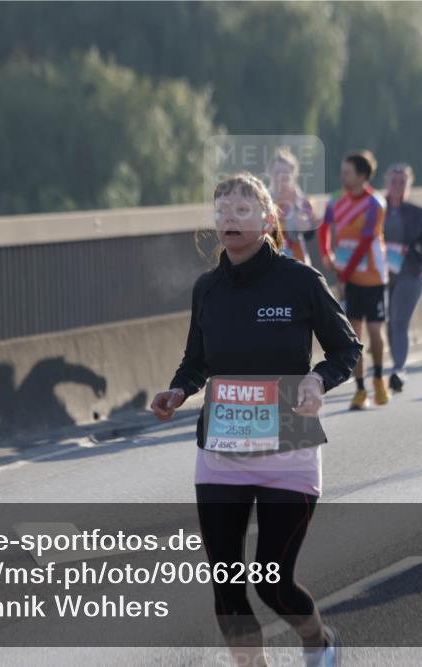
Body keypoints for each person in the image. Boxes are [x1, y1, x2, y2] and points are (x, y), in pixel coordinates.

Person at [150, 172, 361, 667]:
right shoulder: (207, 289)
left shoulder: (299, 281)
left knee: (273, 581)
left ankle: (318, 641)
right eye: (222, 209)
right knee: (227, 585)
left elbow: (346, 347)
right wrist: (179, 390)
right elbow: (197, 360)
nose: (230, 217)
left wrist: (317, 381)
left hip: (287, 451)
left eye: (243, 209)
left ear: (269, 220)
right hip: (222, 452)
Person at [317, 150, 389, 409]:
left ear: (361, 175)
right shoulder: (335, 200)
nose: (342, 177)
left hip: (372, 275)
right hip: (348, 276)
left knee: (374, 330)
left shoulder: (375, 204)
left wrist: (345, 274)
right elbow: (324, 228)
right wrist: (326, 254)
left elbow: (366, 240)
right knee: (355, 335)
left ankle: (379, 376)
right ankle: (360, 390)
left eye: (347, 173)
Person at [381, 163, 422, 393]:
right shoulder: (377, 208)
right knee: (387, 321)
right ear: (386, 183)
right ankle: (396, 363)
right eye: (394, 181)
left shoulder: (416, 213)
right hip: (382, 272)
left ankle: (398, 369)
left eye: (402, 182)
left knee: (400, 320)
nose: (398, 186)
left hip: (410, 272)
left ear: (408, 186)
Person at [268, 147, 318, 265]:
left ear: (294, 175)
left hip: (298, 264)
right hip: (268, 265)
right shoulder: (261, 201)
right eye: (277, 173)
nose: (281, 177)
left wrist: (306, 227)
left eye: (285, 173)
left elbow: (310, 235)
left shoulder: (305, 201)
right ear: (270, 174)